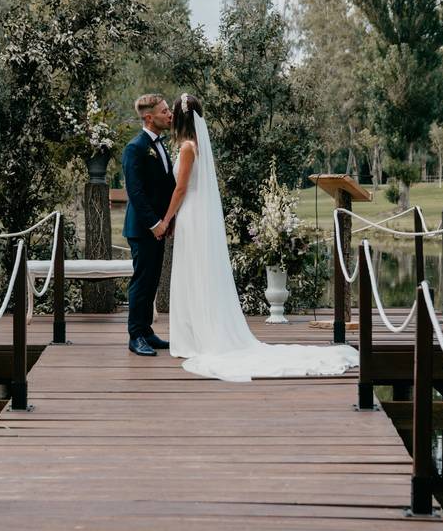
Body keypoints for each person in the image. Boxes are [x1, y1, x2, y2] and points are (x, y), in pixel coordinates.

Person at [162, 93, 358, 381]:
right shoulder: (195, 146)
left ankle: (196, 337)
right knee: (195, 272)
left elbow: (180, 189)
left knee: (194, 272)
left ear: (180, 118)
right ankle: (195, 333)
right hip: (193, 214)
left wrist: (168, 219)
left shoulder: (188, 148)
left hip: (190, 214)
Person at [121, 94, 176, 356]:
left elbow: (165, 186)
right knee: (141, 282)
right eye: (164, 111)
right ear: (149, 117)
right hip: (143, 229)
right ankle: (135, 336)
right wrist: (154, 223)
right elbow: (136, 192)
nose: (169, 115)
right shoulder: (135, 147)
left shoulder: (160, 145)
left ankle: (147, 331)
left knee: (152, 281)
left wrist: (169, 220)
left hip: (159, 228)